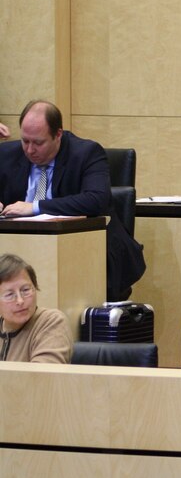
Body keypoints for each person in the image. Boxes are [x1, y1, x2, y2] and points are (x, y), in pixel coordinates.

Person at [0, 100, 145, 301]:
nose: (30, 150)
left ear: (58, 134)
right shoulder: (7, 154)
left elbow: (96, 200)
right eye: (25, 141)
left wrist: (35, 207)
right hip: (20, 253)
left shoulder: (87, 153)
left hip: (86, 254)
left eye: (38, 143)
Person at [0, 253, 72, 363]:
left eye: (25, 290)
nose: (20, 301)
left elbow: (42, 376)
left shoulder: (51, 321)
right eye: (10, 295)